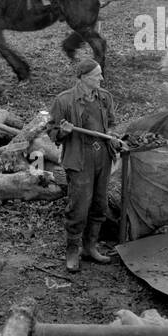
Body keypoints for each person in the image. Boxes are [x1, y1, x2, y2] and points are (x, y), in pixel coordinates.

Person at [49, 59, 127, 272]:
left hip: (102, 157)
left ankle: (90, 247)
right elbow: (52, 131)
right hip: (79, 159)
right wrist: (63, 132)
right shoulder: (64, 101)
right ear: (83, 78)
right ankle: (73, 251)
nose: (101, 78)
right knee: (79, 207)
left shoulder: (104, 97)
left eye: (100, 74)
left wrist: (111, 135)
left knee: (99, 205)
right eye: (96, 75)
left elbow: (111, 123)